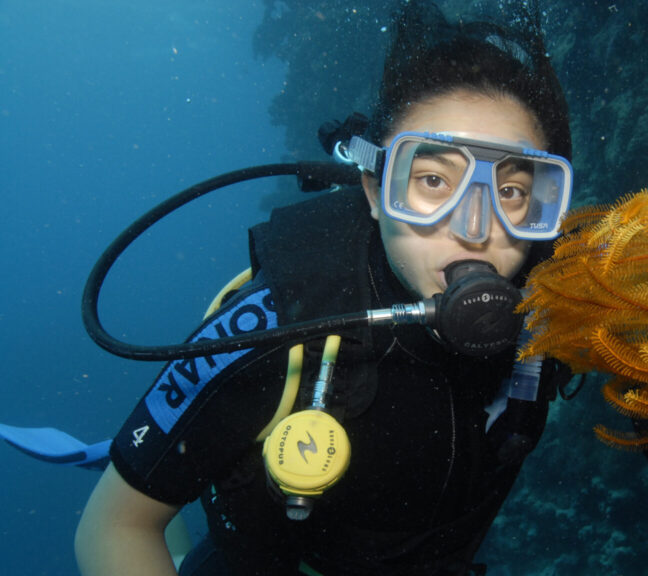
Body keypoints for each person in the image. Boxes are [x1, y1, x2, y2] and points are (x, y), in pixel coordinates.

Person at [75, 2, 574, 575]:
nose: (476, 227)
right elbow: (115, 525)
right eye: (434, 180)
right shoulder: (282, 324)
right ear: (373, 190)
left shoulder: (559, 295)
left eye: (511, 192)